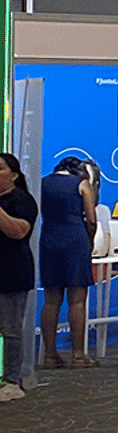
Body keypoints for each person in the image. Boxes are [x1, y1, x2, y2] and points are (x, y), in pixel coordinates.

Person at [38, 157, 98, 369]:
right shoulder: (82, 184)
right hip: (75, 241)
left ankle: (49, 356)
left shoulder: (42, 182)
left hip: (49, 240)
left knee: (51, 301)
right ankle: (78, 356)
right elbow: (91, 220)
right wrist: (90, 241)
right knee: (77, 300)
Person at [0, 154, 36, 401]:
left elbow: (18, 231)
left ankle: (12, 381)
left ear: (13, 175)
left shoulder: (22, 200)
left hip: (11, 273)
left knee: (11, 330)